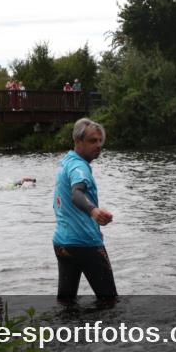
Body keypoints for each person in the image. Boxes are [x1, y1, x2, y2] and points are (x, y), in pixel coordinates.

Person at [52, 118, 117, 303]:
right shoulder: (79, 166)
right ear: (78, 142)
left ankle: (65, 332)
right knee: (110, 303)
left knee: (66, 304)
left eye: (99, 141)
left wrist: (94, 227)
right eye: (92, 141)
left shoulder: (67, 161)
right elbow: (76, 194)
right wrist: (94, 212)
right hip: (85, 244)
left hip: (63, 243)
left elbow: (66, 202)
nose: (98, 145)